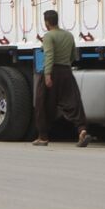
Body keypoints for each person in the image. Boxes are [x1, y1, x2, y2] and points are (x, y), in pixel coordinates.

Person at [33, 9, 90, 147]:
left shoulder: (48, 36)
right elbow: (72, 56)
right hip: (66, 71)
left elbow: (49, 55)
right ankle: (82, 130)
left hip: (52, 72)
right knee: (73, 102)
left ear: (47, 22)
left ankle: (43, 137)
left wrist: (47, 75)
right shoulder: (69, 35)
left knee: (42, 104)